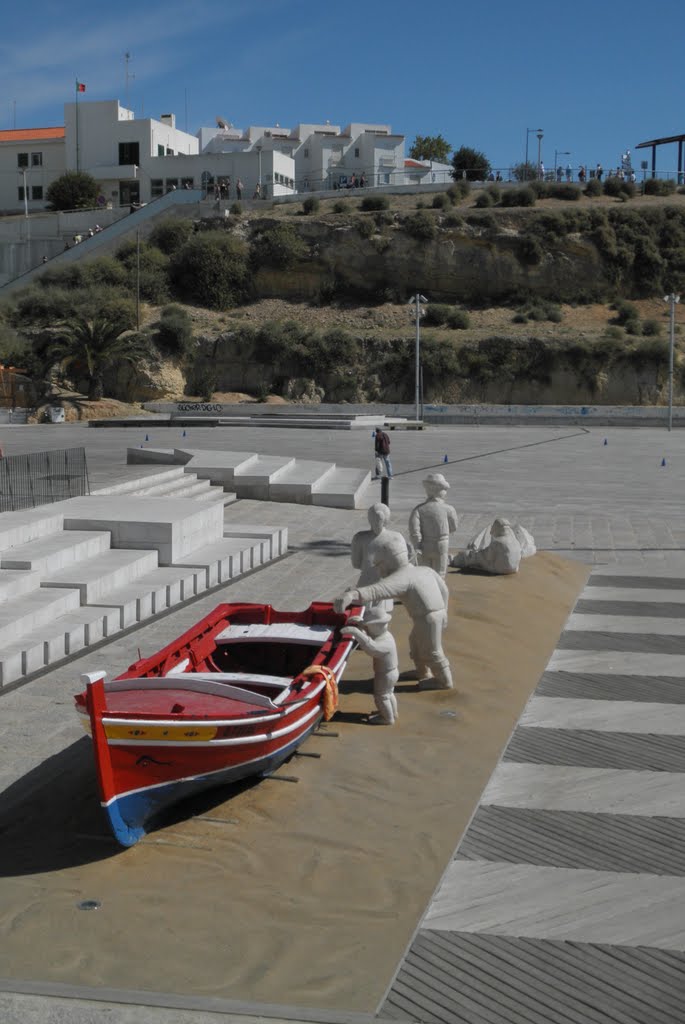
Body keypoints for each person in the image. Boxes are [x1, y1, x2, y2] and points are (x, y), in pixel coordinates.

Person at [336, 533, 453, 690]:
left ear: (389, 561)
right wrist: (444, 610)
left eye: (380, 565)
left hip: (428, 618)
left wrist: (352, 594)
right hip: (431, 616)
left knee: (432, 651)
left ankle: (444, 681)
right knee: (416, 644)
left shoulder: (401, 578)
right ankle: (423, 672)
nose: (379, 570)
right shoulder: (424, 570)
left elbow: (377, 590)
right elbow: (444, 590)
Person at [342, 610, 399, 724]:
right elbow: (371, 634)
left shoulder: (385, 643)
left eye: (369, 625)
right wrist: (361, 624)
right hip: (390, 672)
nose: (367, 627)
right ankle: (392, 713)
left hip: (385, 674)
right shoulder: (385, 635)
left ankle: (387, 718)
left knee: (381, 696)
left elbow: (372, 648)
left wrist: (356, 632)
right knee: (388, 694)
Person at [408, 473, 459, 577]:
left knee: (424, 574)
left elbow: (414, 531)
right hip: (442, 544)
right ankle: (438, 592)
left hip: (424, 546)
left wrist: (417, 545)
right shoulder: (449, 509)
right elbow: (454, 527)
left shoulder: (419, 509)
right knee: (440, 573)